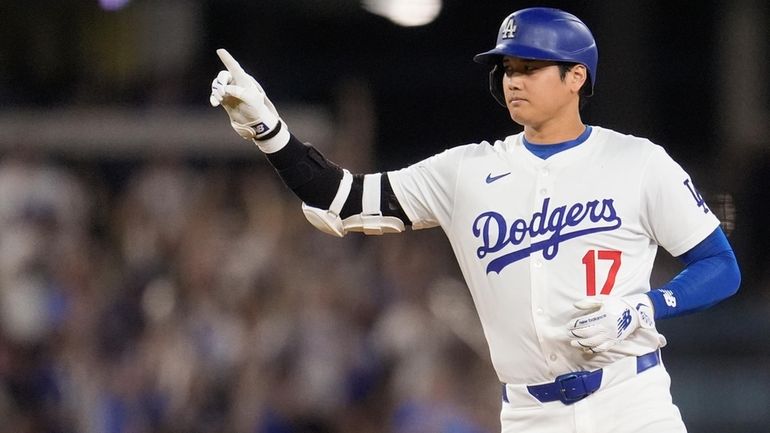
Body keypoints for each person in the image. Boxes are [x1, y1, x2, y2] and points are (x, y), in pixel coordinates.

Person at [209, 7, 740, 433]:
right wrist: (269, 130)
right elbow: (340, 199)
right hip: (530, 415)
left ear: (576, 76)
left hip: (632, 403)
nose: (513, 79)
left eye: (530, 67)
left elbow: (721, 265)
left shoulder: (638, 162)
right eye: (508, 69)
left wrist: (644, 307)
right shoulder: (466, 171)